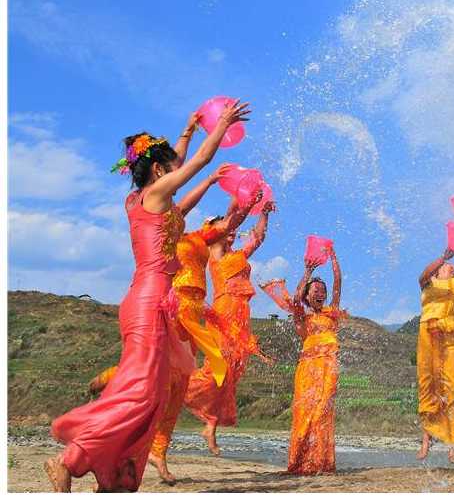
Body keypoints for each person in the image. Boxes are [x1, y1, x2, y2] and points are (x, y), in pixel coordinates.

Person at [46, 101, 251, 492]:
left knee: (152, 395)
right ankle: (69, 460)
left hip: (152, 301)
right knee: (140, 391)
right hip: (148, 299)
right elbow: (200, 161)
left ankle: (114, 472)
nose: (178, 170)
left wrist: (189, 131)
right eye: (171, 167)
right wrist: (221, 125)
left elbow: (181, 179)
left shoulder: (147, 202)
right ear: (158, 172)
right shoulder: (155, 195)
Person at [184, 194, 276, 455]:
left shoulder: (236, 254)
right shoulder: (215, 249)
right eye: (226, 229)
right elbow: (230, 220)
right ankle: (181, 385)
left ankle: (210, 425)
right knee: (220, 365)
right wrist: (242, 198)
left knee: (233, 369)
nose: (232, 232)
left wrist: (265, 212)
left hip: (242, 314)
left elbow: (258, 238)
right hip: (224, 311)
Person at [286, 247, 346, 474]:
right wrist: (307, 272)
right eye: (315, 290)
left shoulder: (332, 311)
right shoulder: (302, 317)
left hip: (328, 365)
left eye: (323, 290)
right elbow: (295, 297)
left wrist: (333, 255)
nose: (320, 293)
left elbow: (338, 280)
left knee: (322, 409)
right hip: (307, 369)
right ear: (308, 295)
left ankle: (320, 461)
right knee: (304, 413)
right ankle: (302, 462)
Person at [416, 247, 454, 465]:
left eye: (451, 266)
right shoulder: (428, 283)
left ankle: (453, 446)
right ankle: (426, 440)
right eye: (443, 266)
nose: (449, 267)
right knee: (428, 386)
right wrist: (444, 256)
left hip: (451, 340)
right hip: (428, 336)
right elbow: (422, 275)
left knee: (453, 389)